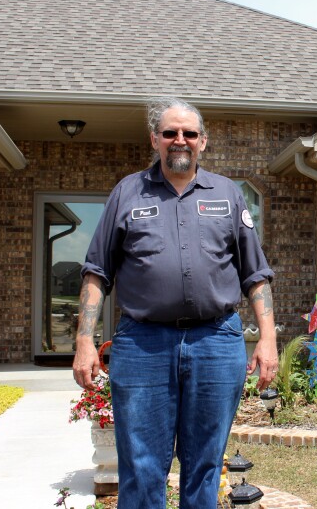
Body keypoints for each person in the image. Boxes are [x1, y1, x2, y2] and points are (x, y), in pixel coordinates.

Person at [72, 97, 278, 508]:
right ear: (155, 139)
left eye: (188, 133)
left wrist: (268, 338)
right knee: (142, 466)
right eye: (170, 133)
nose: (179, 140)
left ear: (203, 141)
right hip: (142, 344)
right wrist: (84, 341)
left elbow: (255, 275)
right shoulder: (127, 193)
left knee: (204, 463)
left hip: (216, 341)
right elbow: (97, 272)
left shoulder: (227, 194)